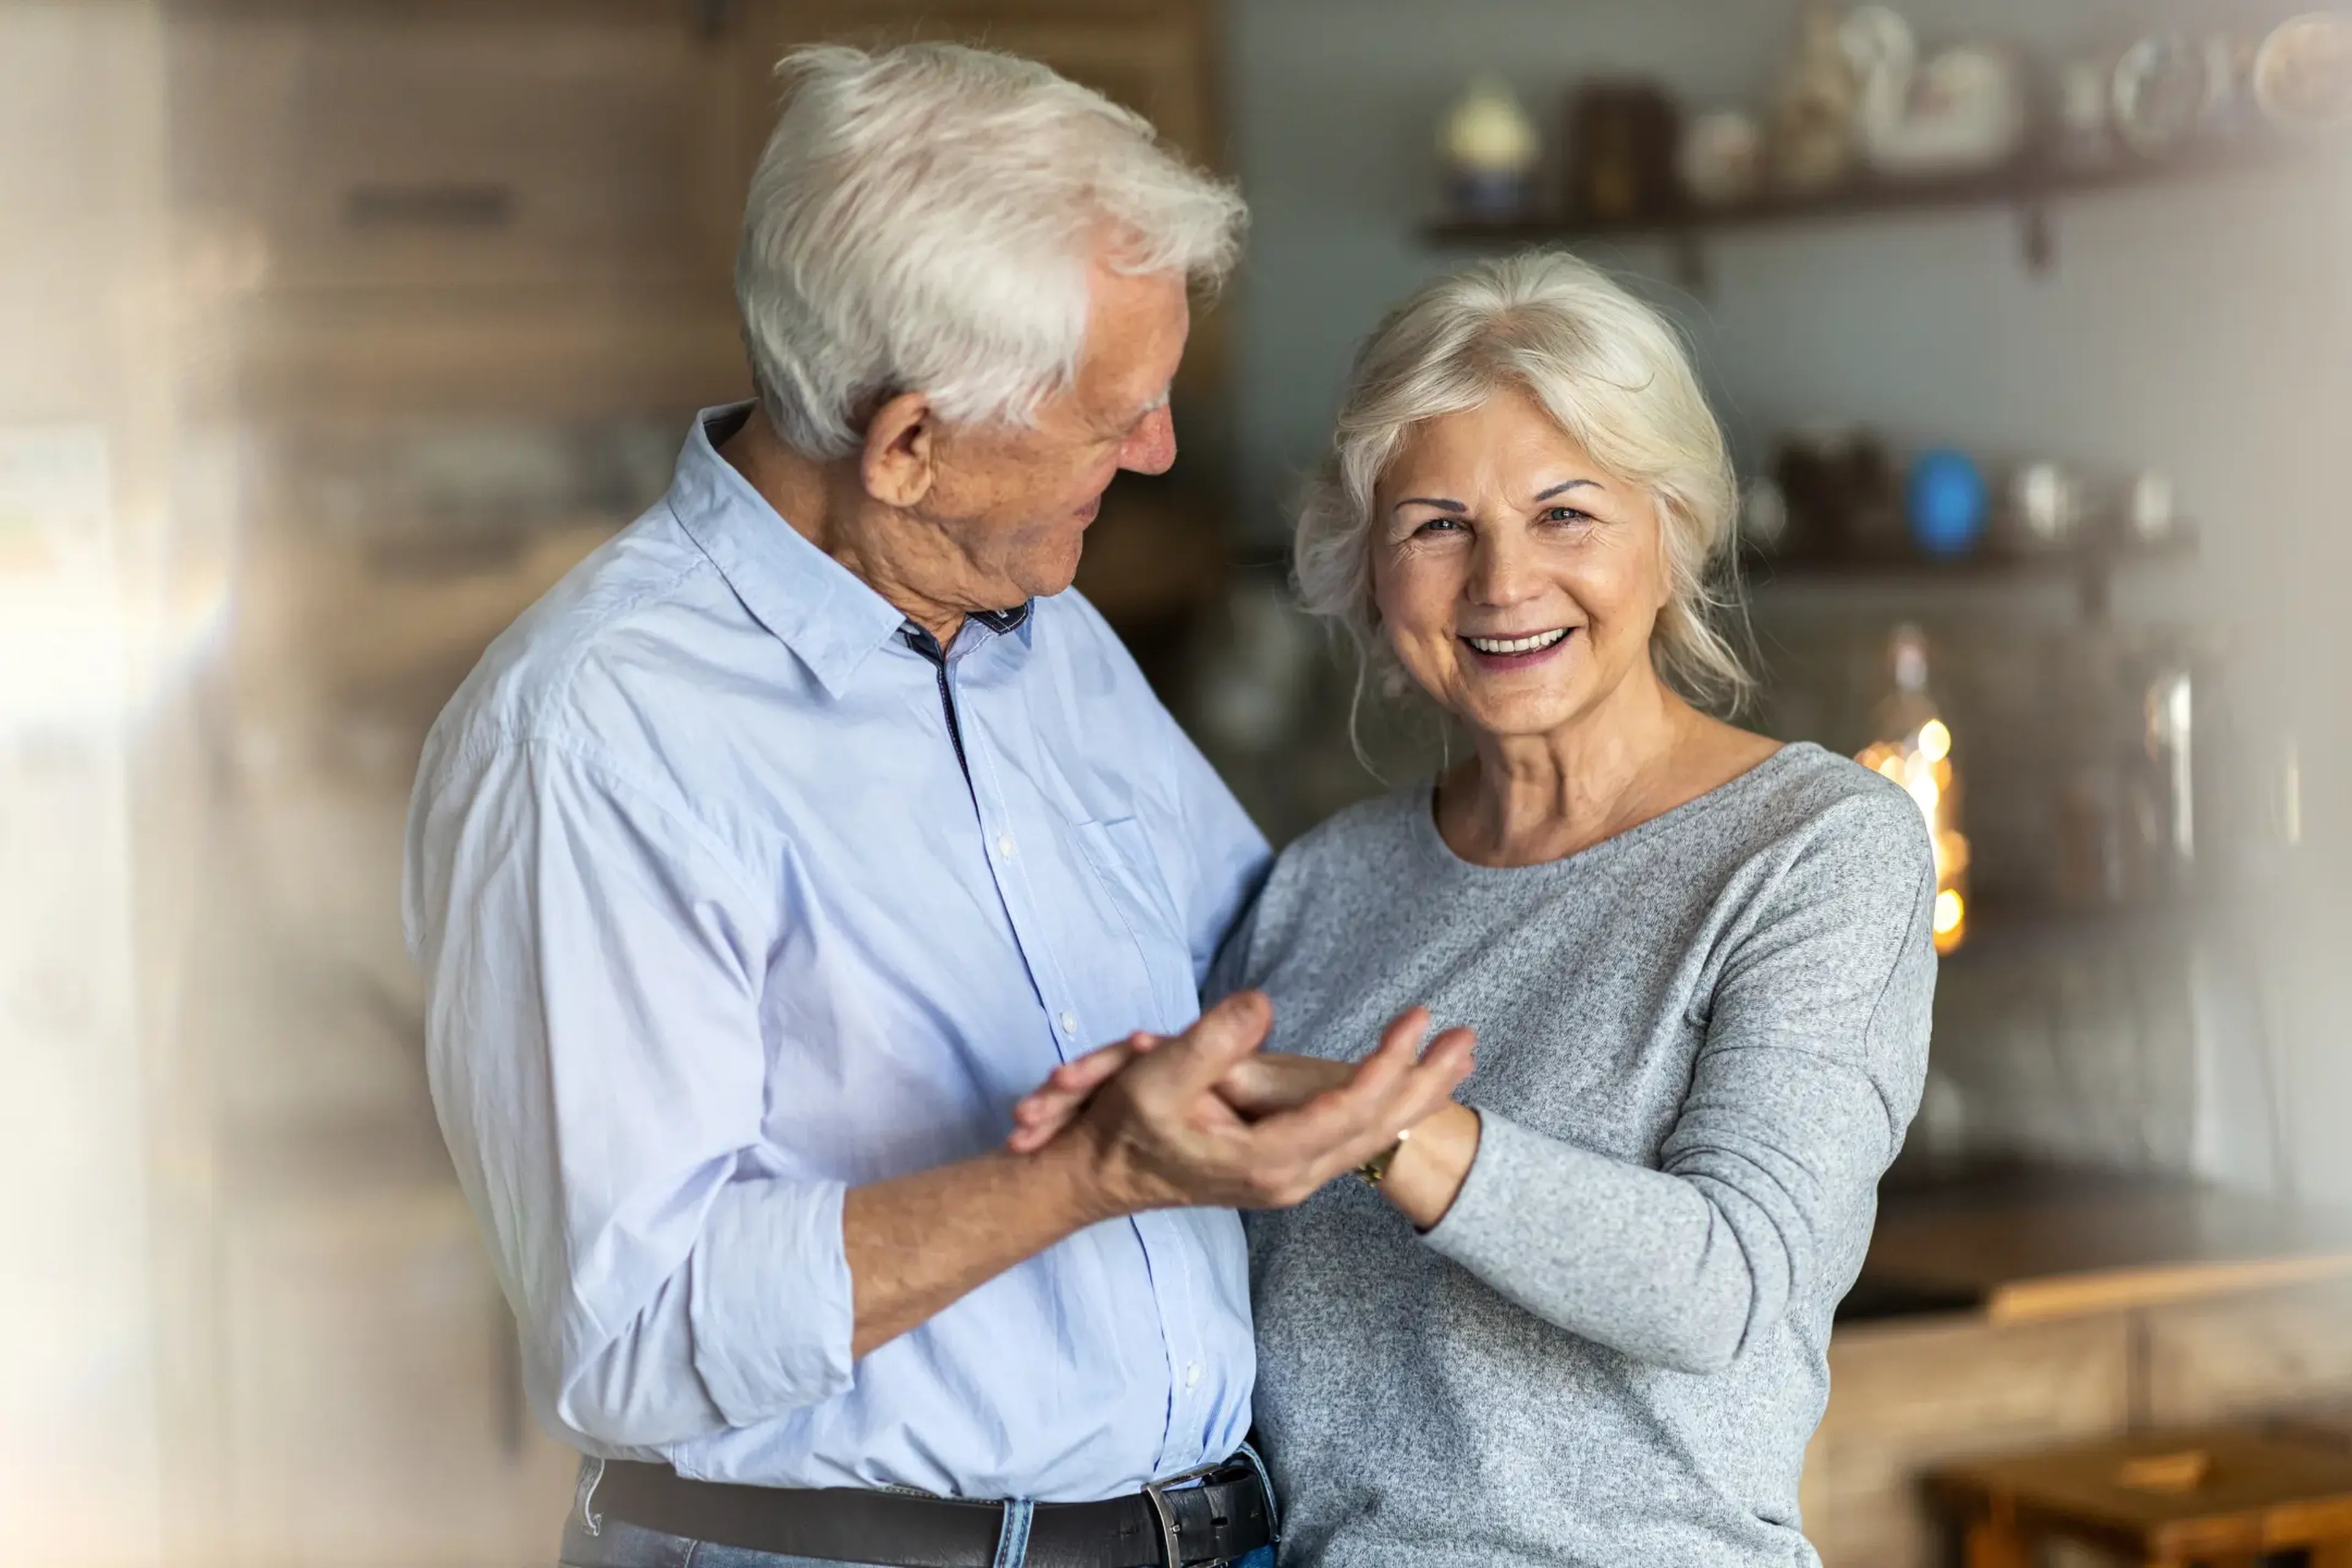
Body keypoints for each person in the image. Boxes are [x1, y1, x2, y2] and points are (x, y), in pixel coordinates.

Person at [401, 42, 1470, 1568]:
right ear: (907, 447)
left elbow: (1269, 967)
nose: (1159, 450)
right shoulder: (592, 733)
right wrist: (1088, 1174)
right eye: (1119, 413)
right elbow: (625, 1330)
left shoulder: (1047, 640)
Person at [1015, 251, 1937, 1567]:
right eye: (1438, 525)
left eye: (1568, 513)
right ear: (1370, 568)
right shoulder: (1323, 884)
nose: (1503, 582)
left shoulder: (1814, 849)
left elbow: (1728, 1283)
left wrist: (1376, 1123)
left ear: (1672, 529)